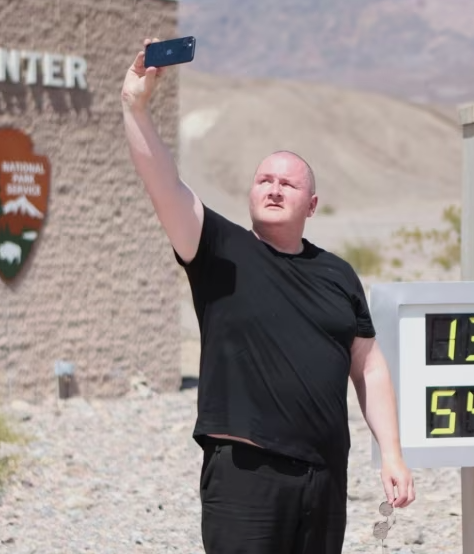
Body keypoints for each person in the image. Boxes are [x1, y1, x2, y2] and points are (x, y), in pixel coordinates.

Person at [120, 38, 416, 554]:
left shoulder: (338, 274)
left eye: (288, 183)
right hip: (245, 481)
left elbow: (368, 367)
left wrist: (391, 453)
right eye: (264, 180)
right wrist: (135, 107)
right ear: (251, 192)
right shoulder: (218, 249)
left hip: (324, 481)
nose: (274, 188)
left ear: (312, 203)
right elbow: (163, 184)